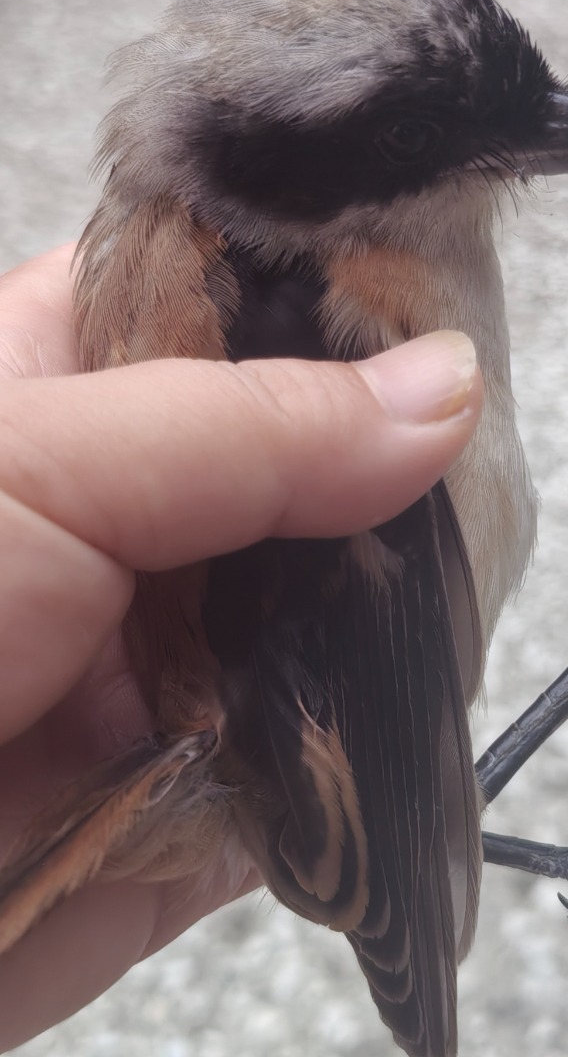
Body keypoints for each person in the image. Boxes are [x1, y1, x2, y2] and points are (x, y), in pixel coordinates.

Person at [0, 243, 482, 1049]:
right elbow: (392, 726)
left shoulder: (163, 266)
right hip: (296, 743)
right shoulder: (317, 296)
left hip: (252, 750)